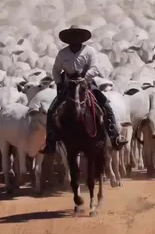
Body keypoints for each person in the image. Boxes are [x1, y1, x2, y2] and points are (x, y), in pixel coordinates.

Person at [40, 25, 128, 155]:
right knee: (52, 110)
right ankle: (51, 142)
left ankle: (114, 136)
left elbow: (95, 67)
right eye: (72, 37)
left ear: (81, 38)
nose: (75, 39)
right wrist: (59, 83)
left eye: (77, 36)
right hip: (68, 85)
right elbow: (56, 69)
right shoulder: (62, 53)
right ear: (68, 39)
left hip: (86, 83)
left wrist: (85, 79)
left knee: (106, 105)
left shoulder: (89, 51)